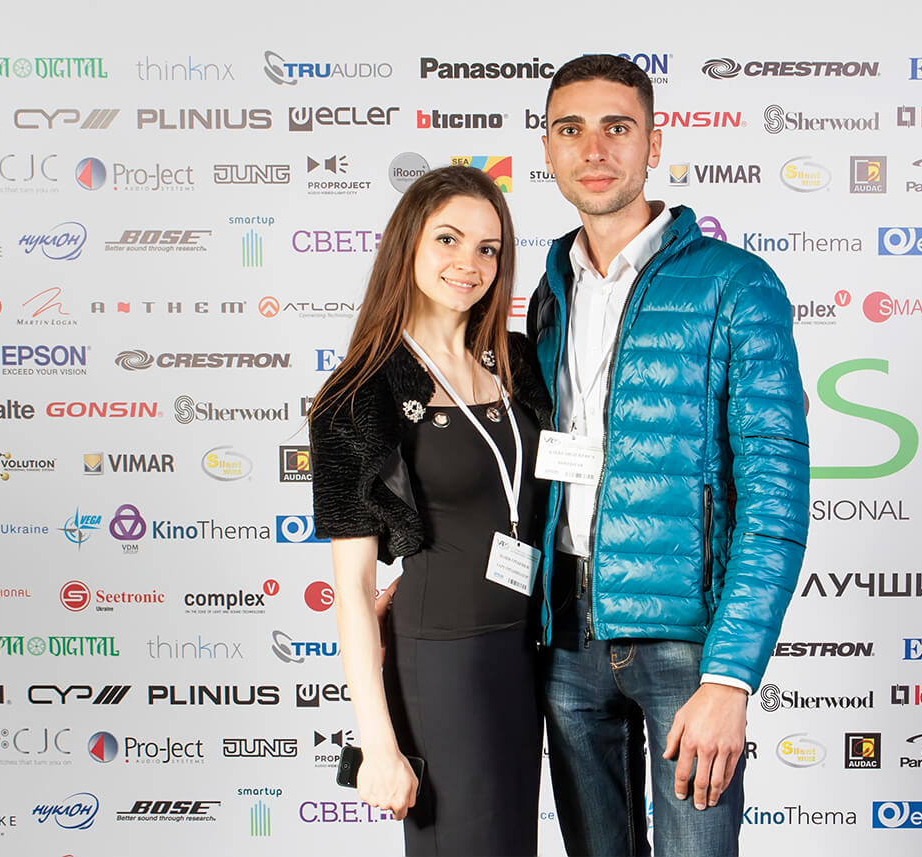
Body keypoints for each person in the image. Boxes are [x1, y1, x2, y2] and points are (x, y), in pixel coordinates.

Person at [528, 54, 810, 857]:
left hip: (687, 646)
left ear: (653, 144)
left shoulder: (736, 284)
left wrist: (730, 676)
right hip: (565, 636)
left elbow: (775, 495)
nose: (593, 149)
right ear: (547, 149)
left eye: (617, 127)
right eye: (570, 129)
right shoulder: (550, 290)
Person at [310, 165, 550, 857]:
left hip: (526, 652)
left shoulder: (517, 363)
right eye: (448, 238)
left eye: (487, 248)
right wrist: (379, 746)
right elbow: (355, 589)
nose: (469, 263)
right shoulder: (358, 394)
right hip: (442, 661)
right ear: (408, 242)